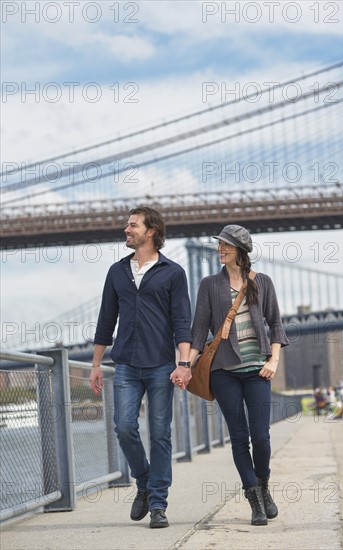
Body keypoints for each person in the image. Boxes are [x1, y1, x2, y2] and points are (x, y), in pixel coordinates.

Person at [173, 225, 289, 526]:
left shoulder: (262, 282)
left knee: (261, 438)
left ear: (240, 249)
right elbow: (199, 332)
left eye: (225, 245)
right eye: (219, 245)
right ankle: (254, 500)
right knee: (239, 439)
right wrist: (186, 366)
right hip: (224, 372)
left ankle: (263, 485)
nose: (219, 249)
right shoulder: (209, 285)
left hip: (258, 371)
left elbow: (276, 324)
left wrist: (274, 360)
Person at [89, 206, 192, 529]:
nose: (126, 229)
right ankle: (144, 480)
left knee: (161, 435)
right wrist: (95, 364)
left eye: (132, 225)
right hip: (126, 365)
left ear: (151, 231)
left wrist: (184, 363)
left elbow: (182, 322)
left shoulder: (173, 272)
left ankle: (158, 504)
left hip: (162, 364)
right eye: (126, 225)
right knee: (123, 426)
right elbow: (106, 320)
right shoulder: (116, 271)